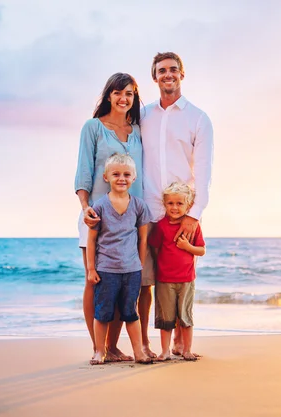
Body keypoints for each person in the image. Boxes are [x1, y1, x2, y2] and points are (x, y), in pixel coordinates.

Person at [140, 52, 214, 356]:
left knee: (181, 281)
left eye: (173, 69)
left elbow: (204, 170)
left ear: (182, 74)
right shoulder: (143, 115)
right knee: (146, 283)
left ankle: (183, 345)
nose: (167, 74)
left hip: (181, 214)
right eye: (161, 70)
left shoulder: (198, 118)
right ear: (154, 77)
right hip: (146, 214)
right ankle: (144, 343)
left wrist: (194, 215)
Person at [74, 73, 143, 361]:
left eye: (129, 93)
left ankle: (113, 347)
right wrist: (84, 207)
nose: (123, 98)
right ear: (108, 95)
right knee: (96, 281)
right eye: (117, 92)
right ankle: (98, 347)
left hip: (128, 221)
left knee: (124, 284)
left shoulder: (137, 130)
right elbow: (83, 172)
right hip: (96, 217)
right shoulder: (93, 127)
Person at [86, 153, 152, 365]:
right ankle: (99, 351)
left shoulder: (139, 206)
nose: (121, 178)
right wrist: (91, 269)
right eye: (116, 174)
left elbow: (142, 240)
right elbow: (92, 240)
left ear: (134, 178)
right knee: (103, 313)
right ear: (106, 177)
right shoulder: (99, 206)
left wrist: (139, 266)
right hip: (106, 270)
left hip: (131, 270)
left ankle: (139, 352)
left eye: (126, 174)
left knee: (130, 313)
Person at [148, 182, 206, 361]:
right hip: (164, 280)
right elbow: (155, 249)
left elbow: (201, 250)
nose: (174, 207)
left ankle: (186, 349)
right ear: (164, 204)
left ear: (188, 205)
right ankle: (165, 351)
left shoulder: (192, 226)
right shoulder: (161, 226)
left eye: (179, 203)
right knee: (166, 319)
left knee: (185, 317)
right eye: (170, 203)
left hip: (187, 279)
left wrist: (188, 247)